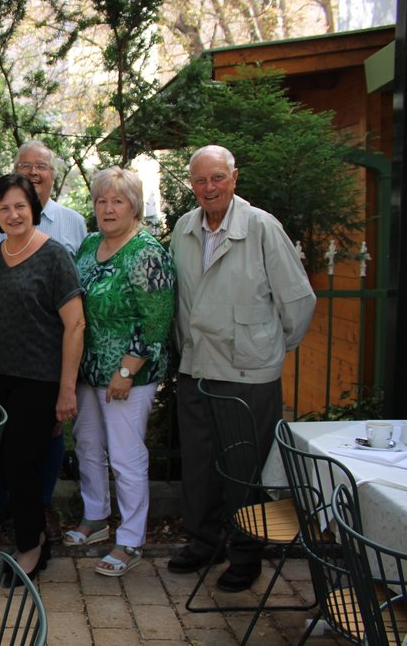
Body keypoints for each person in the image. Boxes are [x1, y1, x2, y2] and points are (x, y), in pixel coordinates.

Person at [167, 145, 316, 592]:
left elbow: (298, 302)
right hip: (197, 367)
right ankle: (205, 542)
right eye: (200, 180)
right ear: (192, 185)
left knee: (244, 469)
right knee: (199, 465)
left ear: (234, 178)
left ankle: (247, 554)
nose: (209, 187)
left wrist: (265, 348)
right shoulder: (184, 229)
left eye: (217, 177)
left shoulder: (262, 227)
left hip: (248, 373)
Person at [0, 140, 89, 544]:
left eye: (20, 206)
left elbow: (75, 325)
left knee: (22, 461)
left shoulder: (55, 256)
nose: (13, 214)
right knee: (7, 460)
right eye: (4, 208)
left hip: (40, 379)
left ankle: (31, 545)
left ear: (33, 209)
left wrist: (67, 389)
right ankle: (30, 537)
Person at [69, 167, 175, 577]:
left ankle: (131, 539)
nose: (108, 209)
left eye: (118, 201)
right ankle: (95, 517)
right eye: (102, 200)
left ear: (134, 207)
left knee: (126, 457)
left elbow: (157, 321)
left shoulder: (146, 252)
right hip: (89, 370)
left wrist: (127, 371)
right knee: (88, 445)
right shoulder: (90, 243)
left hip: (129, 375)